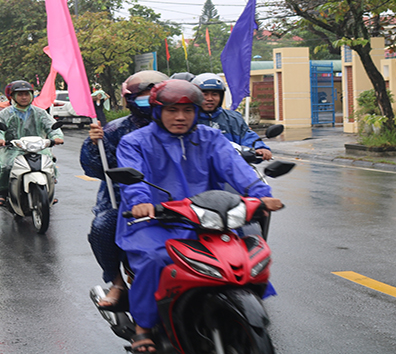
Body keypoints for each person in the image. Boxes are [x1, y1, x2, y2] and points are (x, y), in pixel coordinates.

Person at [115, 79, 283, 353]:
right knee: (155, 260)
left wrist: (260, 193)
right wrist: (141, 202)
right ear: (158, 111)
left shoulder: (210, 137)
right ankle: (143, 328)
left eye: (188, 110)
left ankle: (240, 310)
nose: (180, 117)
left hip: (206, 219)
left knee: (242, 257)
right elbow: (134, 180)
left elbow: (236, 168)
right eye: (171, 110)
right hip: (155, 221)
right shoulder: (135, 142)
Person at [79, 70, 169, 311]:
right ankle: (117, 282)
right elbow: (97, 168)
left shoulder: (182, 125)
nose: (150, 100)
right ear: (130, 99)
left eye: (155, 95)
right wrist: (93, 143)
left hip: (175, 197)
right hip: (123, 199)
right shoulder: (116, 130)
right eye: (143, 96)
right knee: (102, 227)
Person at [0, 80, 64, 207]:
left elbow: (51, 126)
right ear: (13, 97)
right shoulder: (5, 113)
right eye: (20, 94)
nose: (24, 97)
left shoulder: (40, 112)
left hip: (37, 147)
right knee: (7, 166)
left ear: (32, 96)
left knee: (49, 162)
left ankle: (49, 192)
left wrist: (56, 137)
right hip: (12, 147)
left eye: (27, 94)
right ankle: (3, 192)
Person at [191, 73, 272, 160]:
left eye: (214, 94)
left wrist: (259, 148)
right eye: (205, 94)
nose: (210, 98)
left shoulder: (233, 118)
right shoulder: (190, 119)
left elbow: (247, 135)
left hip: (232, 168)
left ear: (221, 96)